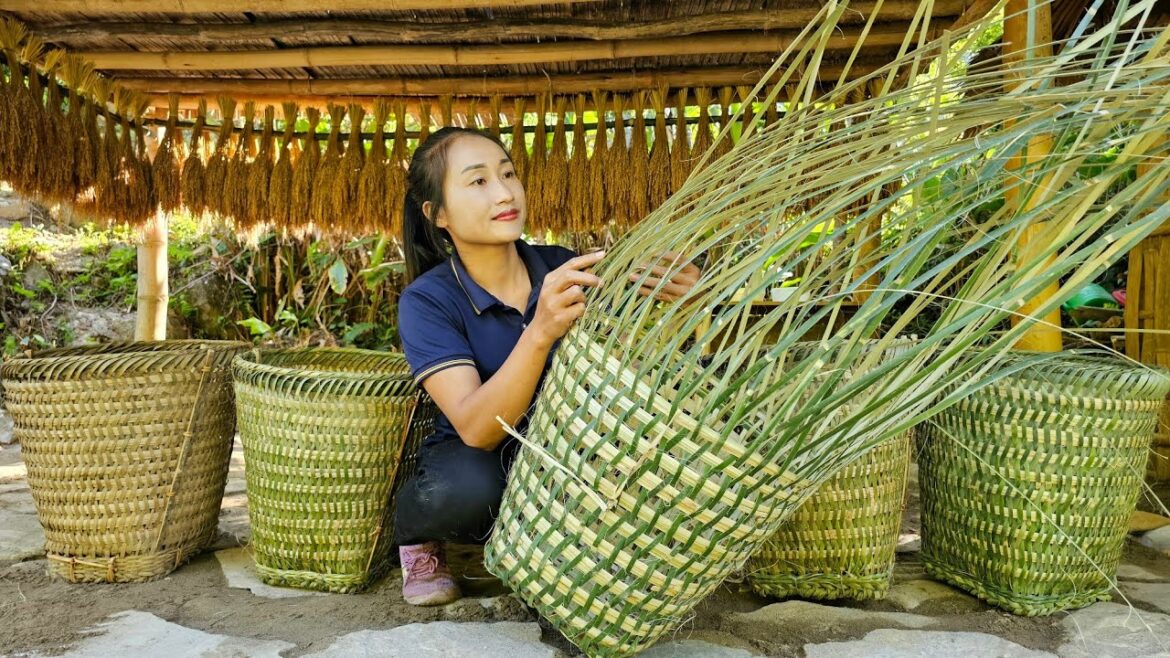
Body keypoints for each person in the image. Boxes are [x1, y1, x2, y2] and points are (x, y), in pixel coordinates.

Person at [393, 126, 701, 606]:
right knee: (465, 494)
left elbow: (641, 367)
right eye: (478, 182)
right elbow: (477, 428)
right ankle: (417, 533)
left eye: (508, 174)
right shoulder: (428, 301)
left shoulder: (568, 268)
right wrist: (540, 331)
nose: (504, 192)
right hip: (480, 453)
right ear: (438, 215)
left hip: (568, 443)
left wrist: (689, 301)